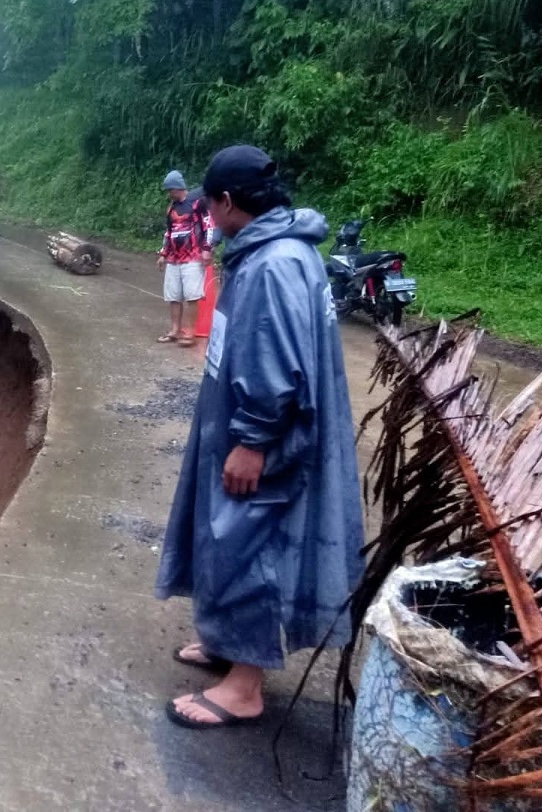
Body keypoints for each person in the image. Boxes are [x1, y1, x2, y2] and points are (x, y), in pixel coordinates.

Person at [154, 145, 364, 730]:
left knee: (249, 539)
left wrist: (252, 441)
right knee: (230, 535)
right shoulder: (283, 250)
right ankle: (228, 644)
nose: (208, 217)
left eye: (210, 204)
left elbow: (275, 369)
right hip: (241, 422)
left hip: (260, 434)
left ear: (226, 202)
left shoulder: (273, 265)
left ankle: (244, 688)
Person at [156, 170, 215, 347]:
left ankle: (190, 332)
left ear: (178, 188)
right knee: (173, 296)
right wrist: (163, 254)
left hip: (193, 256)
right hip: (174, 258)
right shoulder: (171, 208)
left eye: (170, 190)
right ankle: (175, 330)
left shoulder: (198, 204)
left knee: (192, 296)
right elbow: (169, 232)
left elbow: (209, 226)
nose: (169, 194)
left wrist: (207, 249)